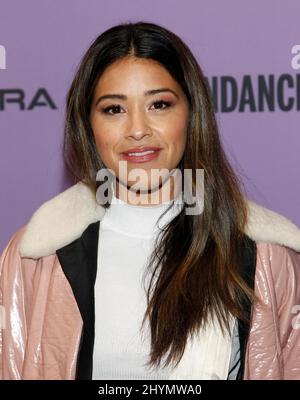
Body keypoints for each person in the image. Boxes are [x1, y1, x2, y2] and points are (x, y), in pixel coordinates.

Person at [1, 21, 300, 381]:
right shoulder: (37, 255)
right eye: (114, 109)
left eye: (159, 104)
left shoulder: (266, 255)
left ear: (191, 113)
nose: (138, 129)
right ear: (88, 125)